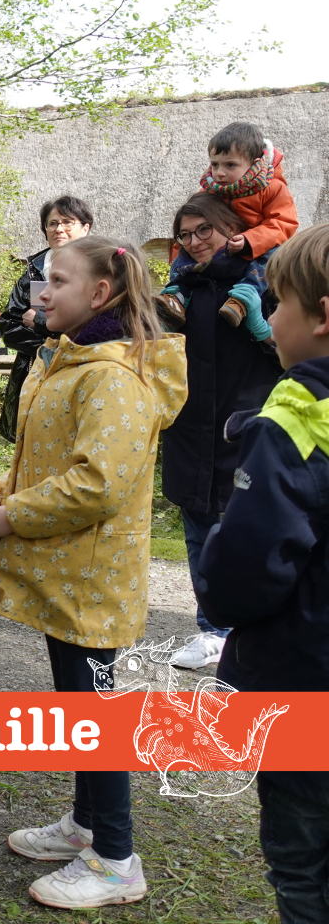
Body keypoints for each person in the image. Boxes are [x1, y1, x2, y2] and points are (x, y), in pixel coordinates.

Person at [0, 236, 187, 910]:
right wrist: (0, 495)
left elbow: (98, 484)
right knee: (79, 709)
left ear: (100, 293)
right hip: (68, 577)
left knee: (94, 715)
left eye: (58, 280)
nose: (42, 292)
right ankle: (87, 826)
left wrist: (12, 516)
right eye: (42, 280)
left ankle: (116, 859)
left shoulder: (112, 376)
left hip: (90, 580)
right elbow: (48, 459)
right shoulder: (69, 358)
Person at [195, 223, 329, 924]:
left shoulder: (295, 418)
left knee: (304, 868)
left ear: (322, 316)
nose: (269, 319)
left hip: (305, 687)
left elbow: (245, 569)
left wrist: (216, 588)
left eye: (277, 304)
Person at [159, 194, 280, 671]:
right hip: (190, 430)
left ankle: (252, 632)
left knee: (248, 535)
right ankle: (212, 631)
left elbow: (296, 358)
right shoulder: (180, 292)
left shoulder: (266, 281)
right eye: (185, 235)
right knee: (198, 532)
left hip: (244, 428)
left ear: (231, 228)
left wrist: (261, 331)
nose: (194, 242)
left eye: (203, 230)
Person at [160, 122, 298, 330]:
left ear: (254, 163)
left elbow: (283, 222)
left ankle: (244, 298)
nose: (220, 173)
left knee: (269, 259)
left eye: (230, 165)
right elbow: (189, 225)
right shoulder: (209, 191)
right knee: (185, 251)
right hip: (224, 249)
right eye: (215, 165)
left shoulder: (271, 188)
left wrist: (250, 240)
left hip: (259, 246)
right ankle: (176, 295)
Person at [0, 195, 93, 442]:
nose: (59, 228)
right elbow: (10, 327)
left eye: (67, 222)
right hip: (33, 373)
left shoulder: (101, 270)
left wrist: (41, 322)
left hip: (84, 373)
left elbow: (93, 329)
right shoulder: (33, 272)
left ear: (85, 228)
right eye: (52, 223)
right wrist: (52, 345)